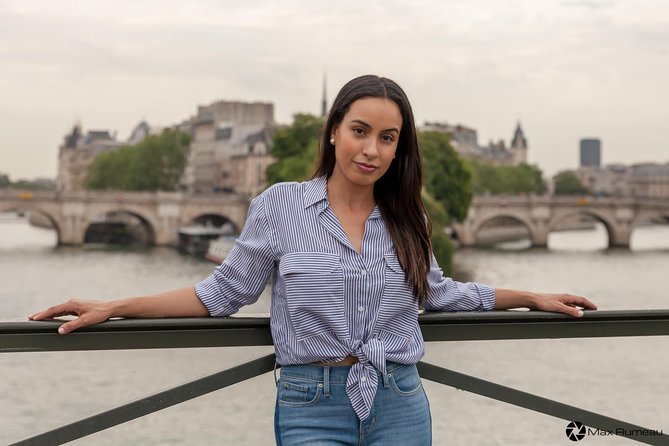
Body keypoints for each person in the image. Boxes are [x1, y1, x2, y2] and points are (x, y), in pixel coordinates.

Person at [29, 75, 597, 445]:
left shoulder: (408, 217)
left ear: (400, 149)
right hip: (310, 401)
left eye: (389, 138)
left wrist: (531, 298)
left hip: (400, 397)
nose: (372, 149)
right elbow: (220, 294)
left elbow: (443, 293)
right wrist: (116, 306)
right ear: (333, 134)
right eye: (360, 131)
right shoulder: (280, 205)